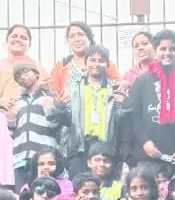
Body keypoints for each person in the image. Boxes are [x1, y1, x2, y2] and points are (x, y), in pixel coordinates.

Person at [0, 25, 49, 187]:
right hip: (1, 120)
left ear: (29, 43)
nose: (18, 40)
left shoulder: (38, 67)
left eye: (23, 37)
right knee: (2, 164)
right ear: (7, 40)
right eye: (14, 36)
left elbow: (47, 92)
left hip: (30, 123)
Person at [127, 29, 175, 174]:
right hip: (147, 155)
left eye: (172, 49)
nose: (167, 53)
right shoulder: (141, 82)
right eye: (163, 49)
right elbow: (134, 116)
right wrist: (145, 141)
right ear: (154, 51)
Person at [53, 44, 126, 176]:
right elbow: (65, 119)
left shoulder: (114, 89)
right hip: (79, 146)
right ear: (86, 63)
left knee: (104, 184)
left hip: (105, 146)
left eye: (101, 60)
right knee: (79, 184)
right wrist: (59, 107)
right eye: (92, 60)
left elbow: (120, 120)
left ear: (107, 64)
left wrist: (125, 105)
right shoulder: (73, 87)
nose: (96, 64)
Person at [9, 61, 61, 191]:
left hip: (44, 159)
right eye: (18, 76)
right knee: (23, 194)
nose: (22, 77)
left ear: (36, 74)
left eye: (26, 72)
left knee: (45, 192)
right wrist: (11, 119)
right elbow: (13, 134)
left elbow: (55, 126)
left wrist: (50, 109)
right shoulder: (17, 102)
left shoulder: (50, 97)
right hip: (21, 157)